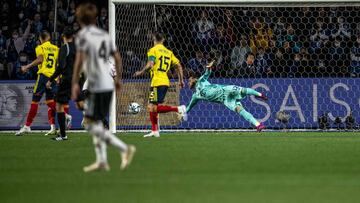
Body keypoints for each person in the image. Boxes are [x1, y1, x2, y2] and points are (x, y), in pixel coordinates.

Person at [71, 2, 135, 172]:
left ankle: (124, 149)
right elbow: (118, 57)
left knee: (91, 124)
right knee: (95, 122)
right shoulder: (105, 36)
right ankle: (102, 160)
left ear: (80, 19)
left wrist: (74, 83)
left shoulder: (83, 36)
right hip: (106, 84)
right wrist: (118, 79)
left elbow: (79, 61)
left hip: (95, 84)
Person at [181, 61, 267, 132]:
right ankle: (258, 125)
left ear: (194, 79)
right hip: (225, 100)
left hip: (225, 89)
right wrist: (183, 114)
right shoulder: (196, 96)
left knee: (243, 90)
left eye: (189, 81)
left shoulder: (201, 81)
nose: (188, 83)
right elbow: (189, 107)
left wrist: (208, 67)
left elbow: (207, 73)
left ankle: (260, 95)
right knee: (240, 110)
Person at [133, 32, 187, 138]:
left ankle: (179, 109)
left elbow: (150, 64)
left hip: (157, 82)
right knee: (152, 107)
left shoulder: (153, 50)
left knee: (152, 107)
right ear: (163, 40)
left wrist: (141, 72)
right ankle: (155, 131)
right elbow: (179, 66)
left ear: (154, 40)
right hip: (165, 81)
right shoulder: (169, 52)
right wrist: (181, 80)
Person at [15, 31, 59, 136]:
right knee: (49, 102)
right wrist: (58, 77)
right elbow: (58, 64)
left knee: (35, 101)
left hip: (43, 77)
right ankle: (63, 117)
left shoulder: (40, 47)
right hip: (53, 77)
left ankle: (27, 126)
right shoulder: (56, 48)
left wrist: (26, 66)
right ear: (49, 38)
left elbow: (40, 59)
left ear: (40, 39)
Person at [46, 27, 75, 141]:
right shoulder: (78, 48)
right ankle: (65, 128)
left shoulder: (64, 48)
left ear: (63, 37)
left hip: (67, 79)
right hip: (76, 79)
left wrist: (51, 79)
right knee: (63, 103)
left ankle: (63, 135)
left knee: (58, 105)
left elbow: (61, 66)